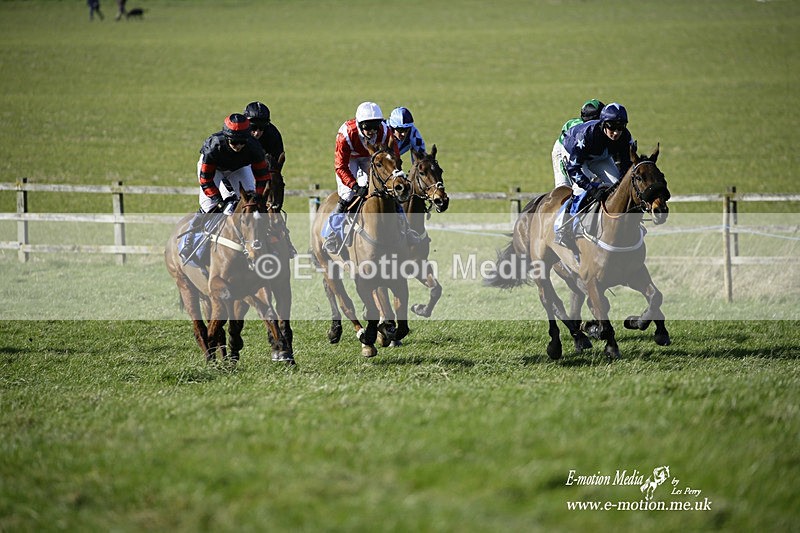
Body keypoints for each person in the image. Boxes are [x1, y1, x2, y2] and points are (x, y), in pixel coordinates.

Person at [323, 101, 417, 253]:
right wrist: (354, 185)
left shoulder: (385, 131)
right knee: (347, 195)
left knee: (388, 189)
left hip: (371, 157)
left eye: (376, 126)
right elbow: (341, 166)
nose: (372, 131)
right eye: (368, 127)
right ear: (360, 124)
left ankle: (406, 229)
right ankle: (331, 234)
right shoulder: (345, 135)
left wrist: (396, 175)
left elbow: (394, 157)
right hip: (350, 160)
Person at [556, 103, 636, 248]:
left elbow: (626, 166)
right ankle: (565, 227)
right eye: (611, 127)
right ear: (603, 124)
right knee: (581, 190)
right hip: (574, 153)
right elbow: (574, 168)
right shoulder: (587, 134)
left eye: (620, 127)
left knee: (616, 185)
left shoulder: (625, 137)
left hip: (599, 155)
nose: (616, 132)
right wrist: (591, 188)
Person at [183, 113, 271, 242]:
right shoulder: (213, 147)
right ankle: (191, 236)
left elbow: (262, 177)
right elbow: (206, 180)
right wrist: (218, 200)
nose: (239, 146)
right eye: (234, 142)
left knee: (250, 198)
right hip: (214, 170)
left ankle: (256, 236)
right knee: (209, 205)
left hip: (238, 168)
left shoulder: (254, 147)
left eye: (242, 142)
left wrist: (257, 196)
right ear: (226, 138)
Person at [243, 101, 296, 257]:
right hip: (238, 168)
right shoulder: (240, 134)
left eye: (261, 128)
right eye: (253, 128)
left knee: (273, 200)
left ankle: (284, 238)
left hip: (263, 170)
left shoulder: (273, 134)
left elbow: (276, 164)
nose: (258, 132)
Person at [551, 99, 604, 188]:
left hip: (584, 152)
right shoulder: (580, 129)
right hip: (565, 150)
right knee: (563, 188)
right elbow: (572, 163)